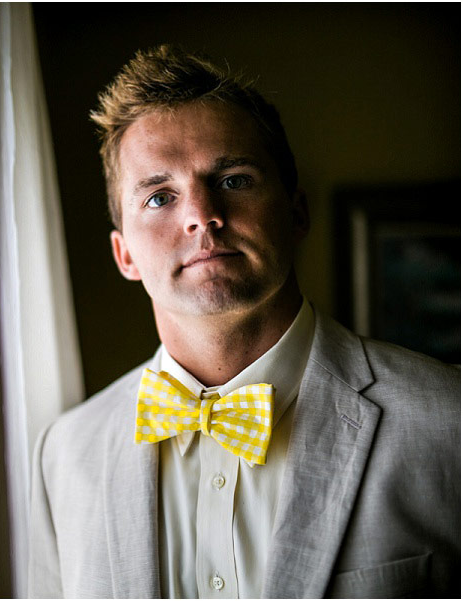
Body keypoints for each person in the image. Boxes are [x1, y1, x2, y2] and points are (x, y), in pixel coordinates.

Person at [28, 45, 460, 599]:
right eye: (159, 197)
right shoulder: (63, 455)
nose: (200, 215)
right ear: (124, 255)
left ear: (295, 211)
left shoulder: (450, 423)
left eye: (233, 180)